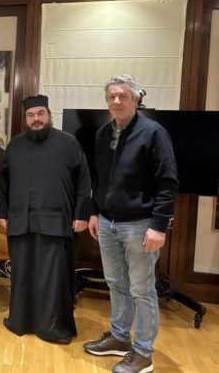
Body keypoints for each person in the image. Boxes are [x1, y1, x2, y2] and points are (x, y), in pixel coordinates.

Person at [84, 75, 178, 373]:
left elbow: (168, 182)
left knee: (142, 290)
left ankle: (143, 352)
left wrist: (159, 225)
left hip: (140, 225)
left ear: (135, 99)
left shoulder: (153, 133)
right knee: (115, 284)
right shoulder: (102, 133)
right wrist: (93, 212)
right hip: (107, 222)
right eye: (111, 96)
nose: (116, 101)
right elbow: (97, 178)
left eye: (123, 96)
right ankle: (120, 338)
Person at [0, 94, 91, 343]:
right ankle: (21, 321)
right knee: (22, 276)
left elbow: (84, 181)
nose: (36, 119)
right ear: (25, 118)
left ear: (49, 115)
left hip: (56, 222)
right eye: (31, 115)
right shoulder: (15, 145)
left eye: (40, 114)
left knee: (52, 279)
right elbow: (3, 182)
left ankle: (51, 327)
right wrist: (2, 212)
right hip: (21, 221)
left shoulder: (68, 143)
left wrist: (81, 214)